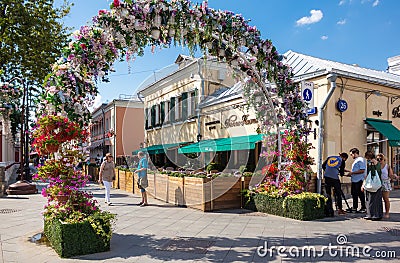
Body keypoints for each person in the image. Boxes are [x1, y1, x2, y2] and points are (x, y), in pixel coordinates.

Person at [377, 153, 399, 219]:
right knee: (377, 199)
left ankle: (387, 213)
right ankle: (378, 212)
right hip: (377, 183)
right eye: (378, 159)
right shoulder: (376, 166)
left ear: (384, 159)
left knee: (385, 198)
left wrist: (395, 176)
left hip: (385, 182)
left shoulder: (387, 166)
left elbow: (390, 175)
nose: (379, 160)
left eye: (381, 159)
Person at [363, 151, 383, 220]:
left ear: (368, 157)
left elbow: (369, 173)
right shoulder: (378, 163)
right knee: (377, 200)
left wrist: (364, 183)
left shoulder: (370, 163)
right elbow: (379, 172)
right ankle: (378, 214)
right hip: (378, 183)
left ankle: (371, 214)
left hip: (371, 183)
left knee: (370, 199)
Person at [346, 148, 367, 213]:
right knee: (354, 194)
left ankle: (363, 207)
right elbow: (356, 170)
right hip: (355, 180)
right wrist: (349, 172)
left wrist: (352, 173)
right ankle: (355, 207)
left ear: (355, 153)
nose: (351, 156)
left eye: (351, 154)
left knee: (360, 194)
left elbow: (362, 170)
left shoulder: (360, 160)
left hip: (359, 180)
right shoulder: (356, 160)